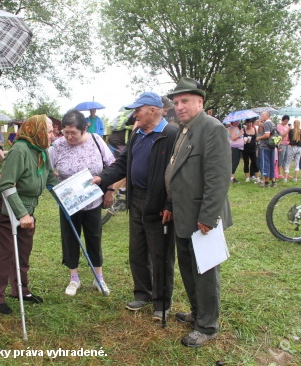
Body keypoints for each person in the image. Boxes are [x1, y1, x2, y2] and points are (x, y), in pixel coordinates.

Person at [92, 92, 178, 321]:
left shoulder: (171, 134)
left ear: (152, 110)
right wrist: (102, 178)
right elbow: (122, 164)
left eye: (138, 109)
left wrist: (169, 202)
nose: (134, 114)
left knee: (160, 254)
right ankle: (143, 294)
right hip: (136, 199)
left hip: (159, 203)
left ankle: (161, 303)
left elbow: (177, 173)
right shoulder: (138, 134)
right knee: (137, 250)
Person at [165, 77, 232, 348]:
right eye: (176, 102)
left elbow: (218, 178)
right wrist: (169, 205)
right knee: (188, 269)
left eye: (185, 101)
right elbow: (176, 171)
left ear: (200, 102)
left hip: (202, 218)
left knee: (204, 273)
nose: (179, 106)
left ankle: (207, 326)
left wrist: (207, 216)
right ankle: (197, 313)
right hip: (182, 214)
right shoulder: (184, 129)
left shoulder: (211, 128)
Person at [0, 115, 57, 314]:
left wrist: (68, 196)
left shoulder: (42, 149)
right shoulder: (19, 150)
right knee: (4, 251)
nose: (53, 135)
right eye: (50, 131)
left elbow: (50, 177)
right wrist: (22, 214)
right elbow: (6, 184)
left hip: (27, 208)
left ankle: (20, 290)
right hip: (4, 205)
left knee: (23, 250)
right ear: (38, 131)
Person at [49, 110, 116, 296]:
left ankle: (99, 278)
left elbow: (112, 166)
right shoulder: (57, 145)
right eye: (66, 132)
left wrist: (109, 190)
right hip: (68, 202)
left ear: (84, 128)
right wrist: (55, 182)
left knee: (94, 237)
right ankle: (74, 278)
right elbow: (46, 170)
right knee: (70, 237)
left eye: (73, 133)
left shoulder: (96, 140)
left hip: (92, 201)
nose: (69, 136)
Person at [256, 111, 277, 187]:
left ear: (267, 115)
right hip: (272, 146)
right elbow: (261, 131)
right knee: (271, 164)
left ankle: (266, 182)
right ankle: (273, 182)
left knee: (265, 164)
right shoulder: (272, 123)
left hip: (265, 146)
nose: (261, 115)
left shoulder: (267, 123)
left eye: (262, 114)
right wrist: (260, 126)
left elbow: (267, 135)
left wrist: (259, 138)